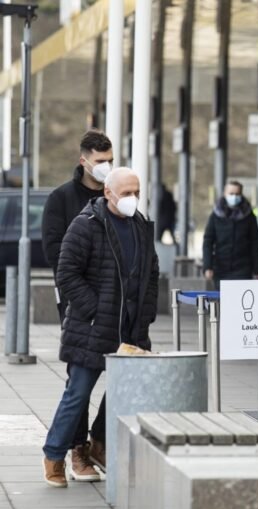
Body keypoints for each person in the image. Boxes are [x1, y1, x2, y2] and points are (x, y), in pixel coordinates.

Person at [42, 168, 159, 488]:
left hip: (131, 329)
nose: (132, 198)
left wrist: (145, 315)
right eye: (126, 192)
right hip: (93, 327)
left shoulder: (140, 226)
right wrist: (94, 311)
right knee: (77, 394)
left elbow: (151, 274)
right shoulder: (86, 225)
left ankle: (98, 444)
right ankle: (54, 456)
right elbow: (67, 274)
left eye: (136, 191)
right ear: (108, 193)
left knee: (124, 391)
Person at [40, 130, 113, 482]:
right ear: (84, 160)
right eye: (100, 162)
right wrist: (87, 302)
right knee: (80, 380)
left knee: (124, 378)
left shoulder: (117, 197)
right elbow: (57, 256)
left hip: (116, 306)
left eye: (110, 160)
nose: (106, 167)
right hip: (78, 305)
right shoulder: (62, 199)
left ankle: (99, 441)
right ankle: (76, 450)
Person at [203, 180, 258, 287]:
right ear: (225, 194)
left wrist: (257, 269)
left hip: (243, 269)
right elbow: (208, 242)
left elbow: (255, 242)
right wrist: (208, 266)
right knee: (222, 301)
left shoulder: (249, 216)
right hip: (221, 268)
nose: (234, 197)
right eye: (231, 194)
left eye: (237, 194)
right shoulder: (215, 215)